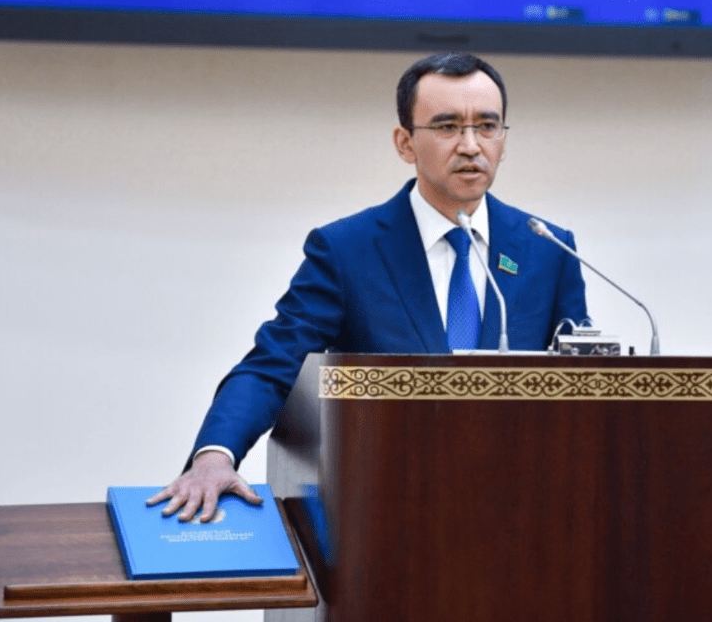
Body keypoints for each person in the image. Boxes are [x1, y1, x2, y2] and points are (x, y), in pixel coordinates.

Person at [149, 52, 589, 522]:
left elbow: (587, 388)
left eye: (487, 126)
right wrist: (214, 457)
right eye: (446, 127)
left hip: (522, 514)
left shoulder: (548, 249)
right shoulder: (347, 251)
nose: (470, 145)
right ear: (404, 143)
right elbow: (271, 365)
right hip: (385, 516)